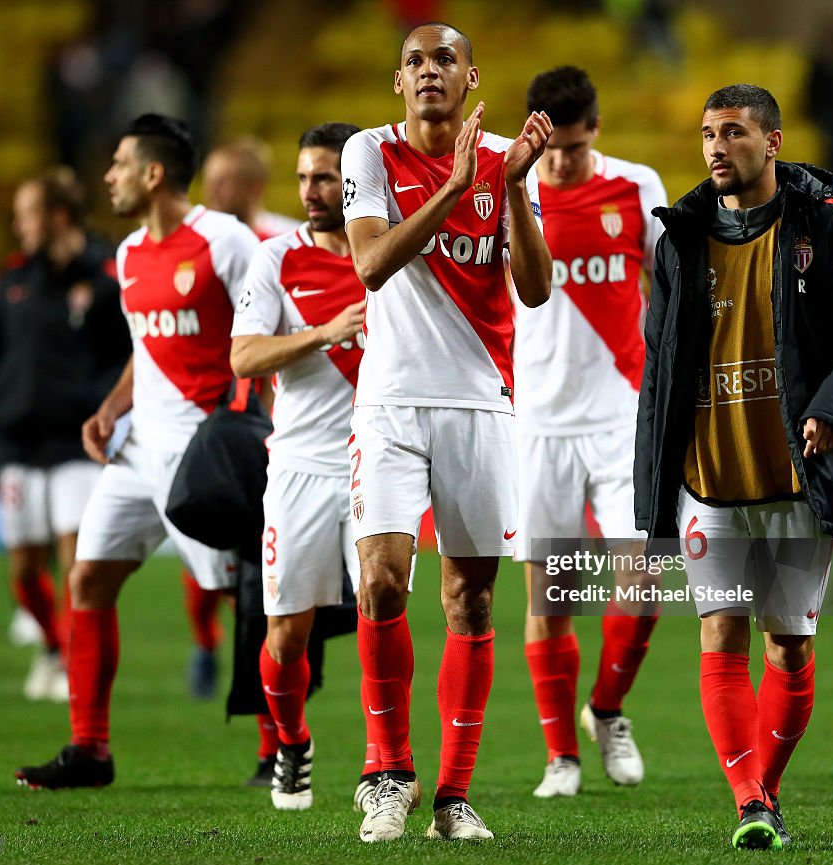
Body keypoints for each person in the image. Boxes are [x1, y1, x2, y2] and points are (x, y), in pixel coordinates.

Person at [636, 84, 833, 849]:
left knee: (788, 645)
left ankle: (764, 791)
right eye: (708, 133)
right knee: (720, 634)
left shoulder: (827, 224)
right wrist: (650, 510)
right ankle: (751, 800)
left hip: (791, 476)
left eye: (735, 132)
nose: (717, 146)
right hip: (707, 478)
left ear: (773, 143)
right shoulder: (678, 239)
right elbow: (659, 377)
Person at [341, 21, 553, 842]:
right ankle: (386, 769)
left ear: (472, 76)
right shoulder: (370, 152)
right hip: (391, 398)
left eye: (445, 60)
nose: (429, 70)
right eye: (414, 61)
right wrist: (458, 185)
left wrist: (516, 187)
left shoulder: (504, 159)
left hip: (480, 399)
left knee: (470, 596)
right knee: (382, 579)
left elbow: (534, 291)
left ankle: (453, 797)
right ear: (399, 82)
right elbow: (370, 265)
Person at [15, 113, 261, 789]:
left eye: (119, 163)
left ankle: (279, 750)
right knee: (88, 579)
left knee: (240, 593)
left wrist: (243, 423)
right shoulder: (126, 255)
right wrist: (111, 408)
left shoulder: (225, 240)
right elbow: (145, 351)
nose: (108, 175)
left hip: (201, 450)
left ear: (153, 174)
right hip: (137, 448)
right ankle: (90, 748)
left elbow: (262, 333)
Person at [515, 66, 667, 798]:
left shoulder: (638, 187)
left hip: (620, 419)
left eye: (573, 149)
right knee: (551, 599)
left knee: (643, 592)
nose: (561, 163)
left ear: (594, 132)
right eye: (550, 149)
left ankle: (605, 710)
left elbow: (670, 292)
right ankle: (560, 756)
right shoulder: (511, 194)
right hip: (535, 424)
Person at [230, 121, 370, 811]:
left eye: (324, 178)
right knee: (286, 632)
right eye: (303, 178)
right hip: (300, 466)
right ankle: (290, 741)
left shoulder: (393, 250)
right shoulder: (276, 258)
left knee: (382, 613)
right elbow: (244, 357)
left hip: (379, 460)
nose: (311, 192)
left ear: (354, 182)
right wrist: (322, 332)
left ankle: (386, 767)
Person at [0, 167, 130, 702]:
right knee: (23, 568)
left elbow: (122, 355)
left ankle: (73, 667)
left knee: (75, 560)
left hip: (73, 443)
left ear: (58, 216)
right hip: (17, 441)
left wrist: (97, 405)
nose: (19, 227)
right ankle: (56, 647)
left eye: (27, 214)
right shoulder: (11, 281)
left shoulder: (104, 280)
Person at [181, 135, 299, 702]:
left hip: (278, 415)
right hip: (212, 409)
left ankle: (273, 715)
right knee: (204, 543)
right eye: (210, 180)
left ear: (253, 186)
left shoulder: (284, 242)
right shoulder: (198, 245)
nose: (213, 192)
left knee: (259, 564)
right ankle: (206, 642)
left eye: (226, 181)